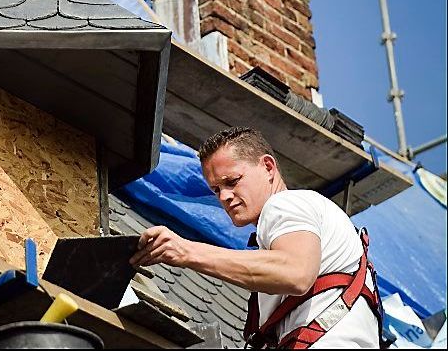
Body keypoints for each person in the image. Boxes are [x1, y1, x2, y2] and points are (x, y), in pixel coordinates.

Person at [130, 127, 381, 348]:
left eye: (232, 181)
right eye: (216, 189)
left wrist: (186, 251)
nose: (224, 196)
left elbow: (296, 272)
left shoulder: (285, 204)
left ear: (268, 167)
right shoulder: (304, 223)